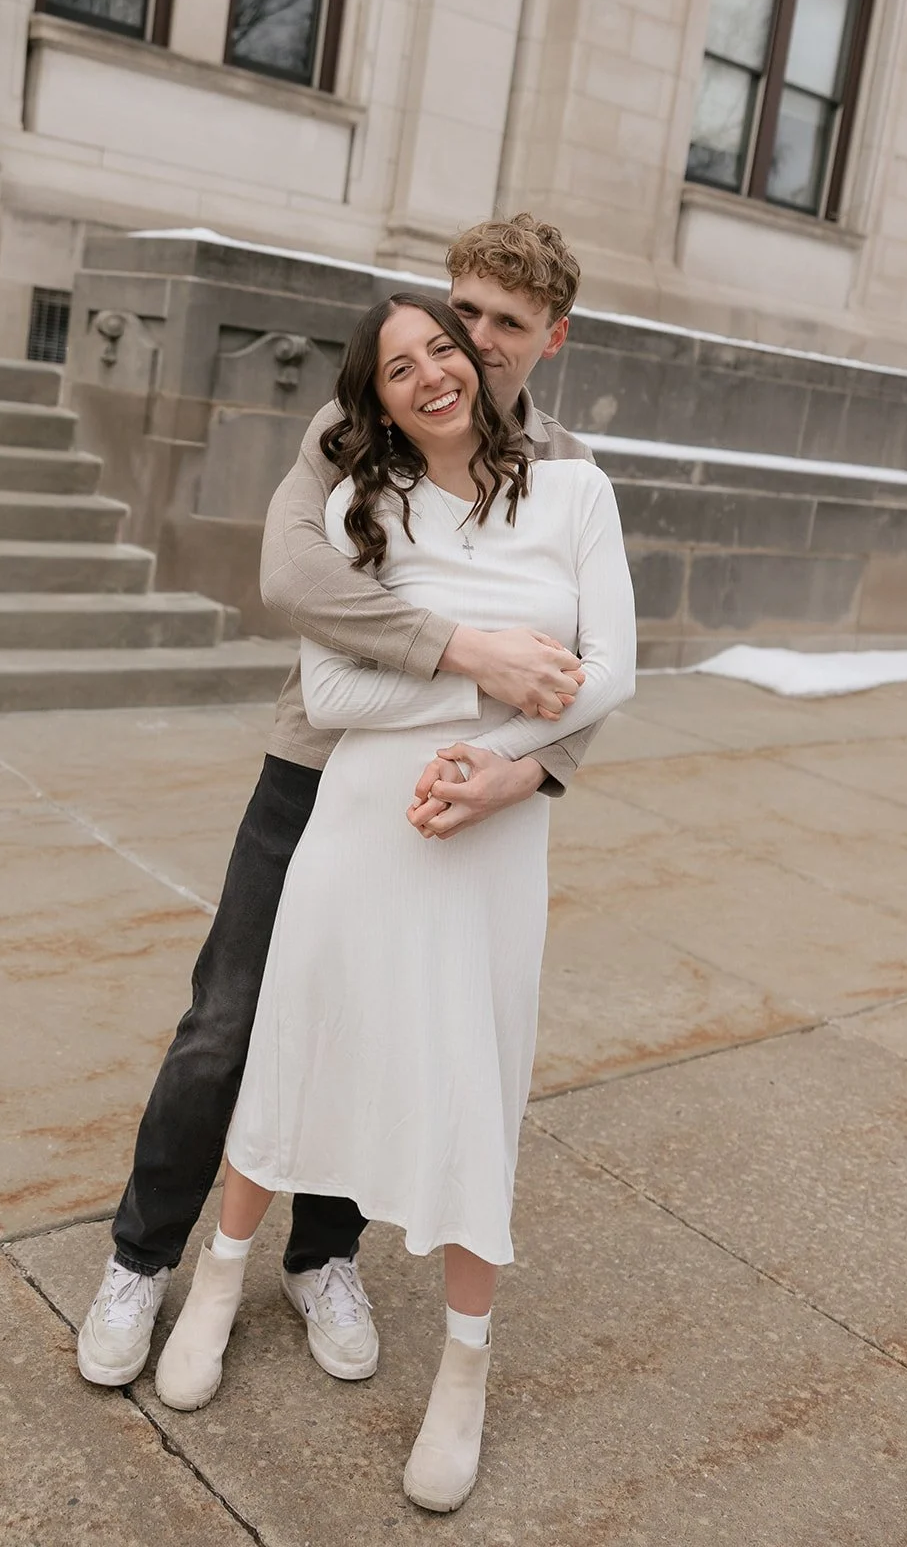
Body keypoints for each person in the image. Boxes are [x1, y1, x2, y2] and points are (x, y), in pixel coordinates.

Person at [77, 214, 608, 1393]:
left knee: (380, 1025)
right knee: (229, 1020)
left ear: (551, 338)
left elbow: (593, 660)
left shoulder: (565, 471)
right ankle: (140, 1259)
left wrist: (532, 768)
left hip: (461, 798)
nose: (470, 341)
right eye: (460, 309)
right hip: (318, 766)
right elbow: (295, 577)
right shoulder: (354, 423)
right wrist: (466, 648)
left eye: (504, 324)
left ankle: (323, 1258)